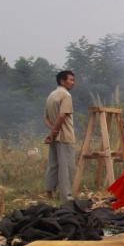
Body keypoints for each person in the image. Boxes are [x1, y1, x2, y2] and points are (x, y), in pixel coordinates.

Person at [44, 70, 77, 202]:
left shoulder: (51, 95)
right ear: (62, 81)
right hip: (64, 137)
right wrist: (56, 132)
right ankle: (67, 198)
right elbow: (62, 115)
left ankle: (49, 192)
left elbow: (45, 118)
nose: (73, 83)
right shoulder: (66, 95)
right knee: (66, 168)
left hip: (54, 136)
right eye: (71, 80)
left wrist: (52, 133)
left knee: (53, 164)